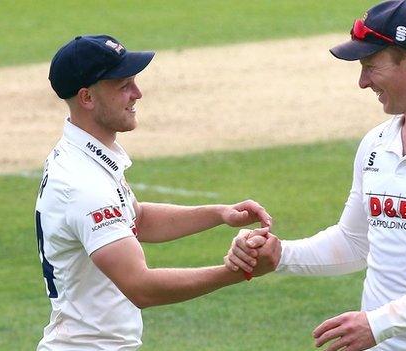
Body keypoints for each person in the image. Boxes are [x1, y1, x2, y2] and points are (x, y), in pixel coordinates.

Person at [225, 1, 406, 350]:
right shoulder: (377, 143)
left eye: (370, 67)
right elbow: (355, 241)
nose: (362, 82)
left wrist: (379, 323)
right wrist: (281, 255)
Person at [35, 34, 273, 350]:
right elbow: (141, 287)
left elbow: (138, 219)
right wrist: (237, 272)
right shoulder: (82, 184)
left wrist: (219, 214)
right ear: (87, 98)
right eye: (124, 86)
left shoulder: (87, 158)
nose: (138, 93)